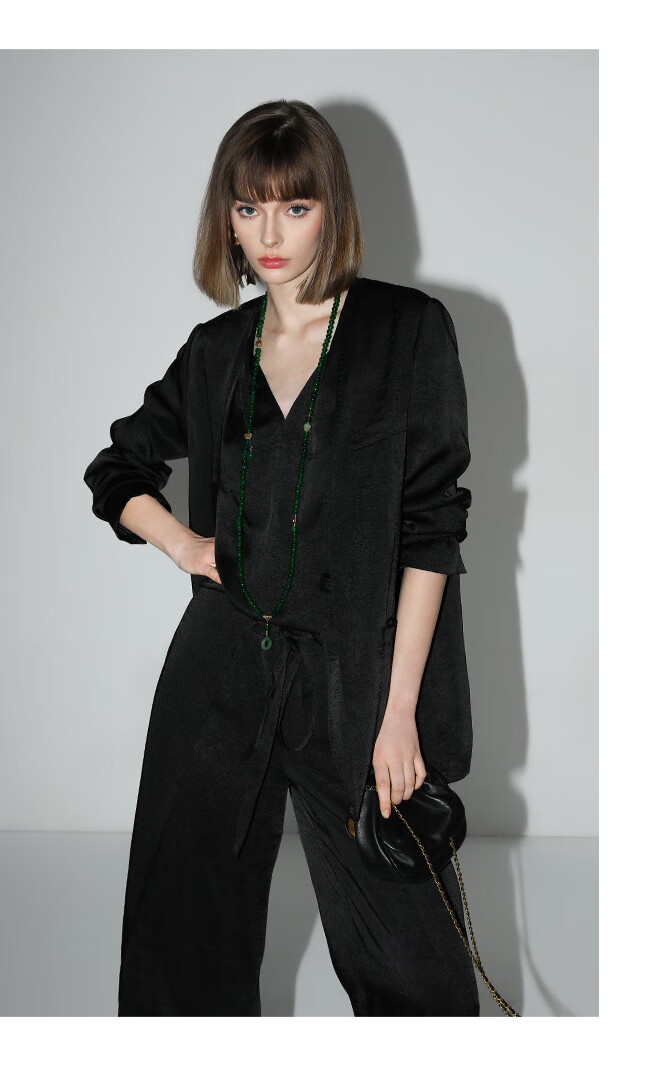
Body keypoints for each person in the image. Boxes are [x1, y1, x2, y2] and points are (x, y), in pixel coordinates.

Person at [83, 99, 478, 1017]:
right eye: (248, 207)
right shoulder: (216, 351)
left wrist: (399, 713)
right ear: (225, 217)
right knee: (181, 949)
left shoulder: (406, 333)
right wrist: (185, 544)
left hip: (356, 685)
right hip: (218, 676)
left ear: (331, 210)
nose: (269, 234)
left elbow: (433, 530)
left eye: (294, 208)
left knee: (414, 970)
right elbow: (118, 466)